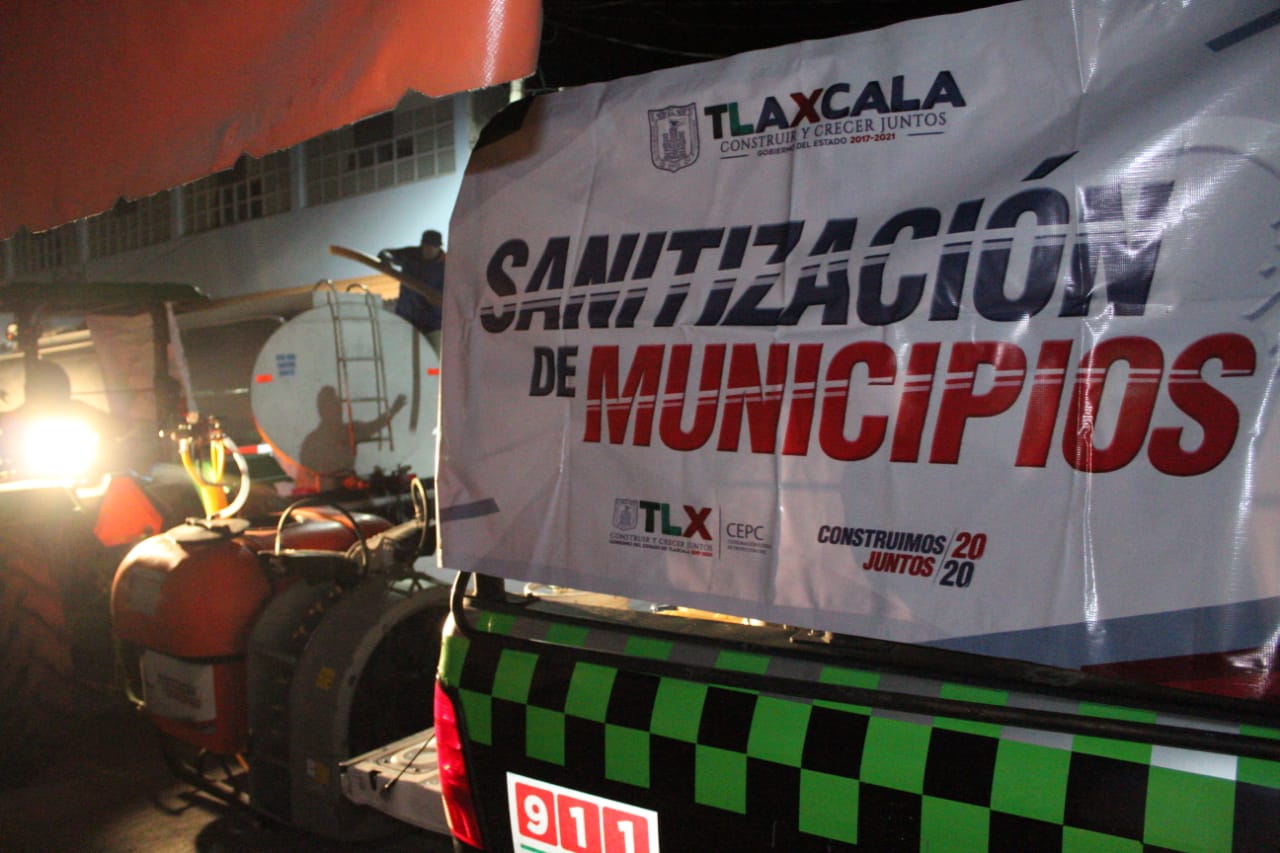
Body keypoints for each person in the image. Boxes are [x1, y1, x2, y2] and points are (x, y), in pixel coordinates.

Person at [379, 229, 446, 352]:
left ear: (438, 247)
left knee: (433, 358)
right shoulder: (410, 255)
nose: (429, 250)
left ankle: (432, 367)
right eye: (426, 246)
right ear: (422, 245)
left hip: (433, 323)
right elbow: (386, 253)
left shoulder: (447, 265)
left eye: (432, 247)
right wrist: (386, 259)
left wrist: (439, 299)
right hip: (407, 319)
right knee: (403, 354)